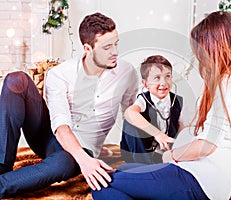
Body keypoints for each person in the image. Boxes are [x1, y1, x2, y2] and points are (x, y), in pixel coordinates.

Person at [92, 11, 231, 200]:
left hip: (196, 178)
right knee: (125, 169)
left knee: (102, 184)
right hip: (206, 179)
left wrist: (172, 156)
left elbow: (206, 146)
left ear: (216, 47)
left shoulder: (229, 82)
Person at [0, 12, 138, 198]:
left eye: (116, 44)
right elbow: (60, 124)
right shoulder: (60, 74)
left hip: (84, 146)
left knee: (62, 163)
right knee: (16, 79)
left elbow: (131, 112)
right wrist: (84, 161)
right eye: (107, 47)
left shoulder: (127, 72)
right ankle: (1, 166)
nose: (115, 52)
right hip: (50, 137)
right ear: (87, 48)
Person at [120, 55, 184, 164]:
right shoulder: (143, 99)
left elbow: (181, 127)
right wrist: (158, 134)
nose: (163, 82)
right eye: (157, 78)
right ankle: (144, 167)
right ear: (146, 84)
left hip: (162, 153)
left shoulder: (178, 101)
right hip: (140, 152)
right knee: (130, 120)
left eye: (168, 76)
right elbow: (129, 113)